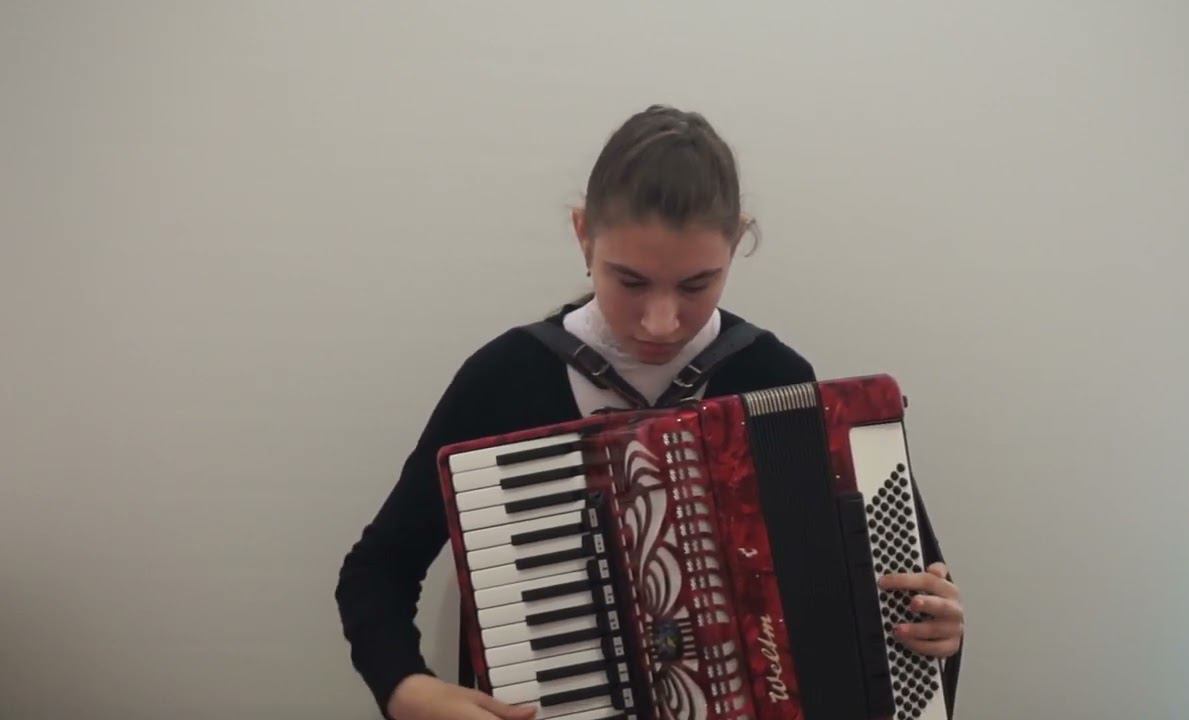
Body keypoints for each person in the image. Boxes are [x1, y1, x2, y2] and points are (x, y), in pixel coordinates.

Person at [335, 104, 965, 720]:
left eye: (696, 284)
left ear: (737, 241)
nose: (661, 322)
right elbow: (377, 571)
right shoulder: (504, 378)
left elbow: (908, 593)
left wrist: (936, 623)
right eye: (631, 281)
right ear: (583, 234)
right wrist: (407, 690)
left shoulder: (776, 381)